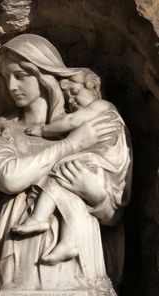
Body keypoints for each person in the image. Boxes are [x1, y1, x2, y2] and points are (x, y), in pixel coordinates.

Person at [0, 34, 132, 296]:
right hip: (13, 259)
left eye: (21, 75)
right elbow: (10, 178)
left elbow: (113, 213)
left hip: (82, 266)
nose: (12, 85)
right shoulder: (2, 133)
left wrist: (95, 192)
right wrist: (70, 146)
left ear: (46, 75)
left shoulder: (88, 125)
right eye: (6, 78)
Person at [11, 69, 124, 266]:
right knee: (69, 189)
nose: (71, 100)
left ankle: (39, 218)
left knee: (59, 172)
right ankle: (69, 242)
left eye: (74, 92)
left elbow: (71, 120)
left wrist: (43, 129)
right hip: (97, 163)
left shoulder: (101, 106)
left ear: (93, 88)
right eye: (67, 97)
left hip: (100, 162)